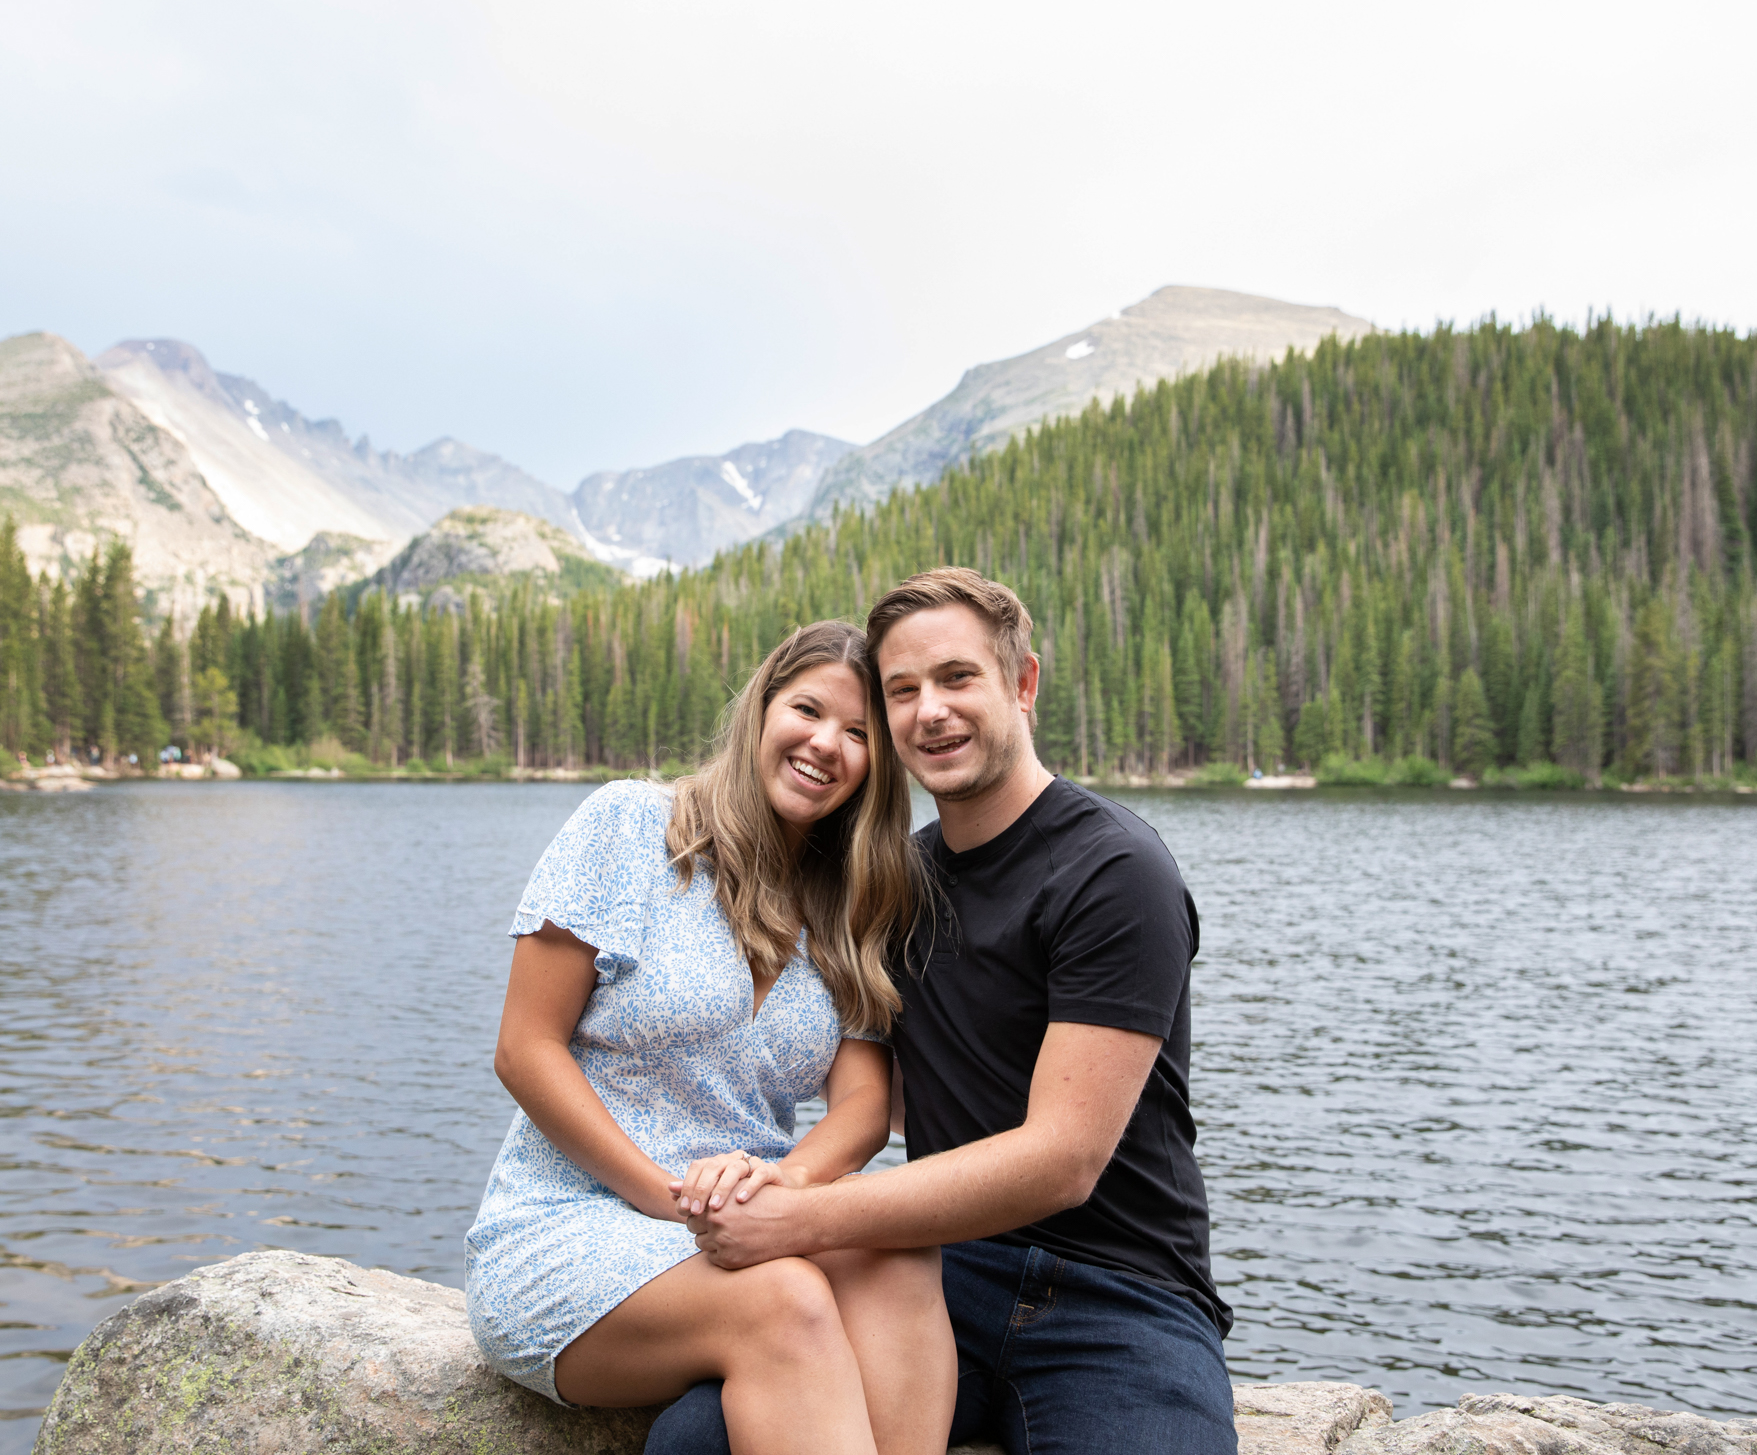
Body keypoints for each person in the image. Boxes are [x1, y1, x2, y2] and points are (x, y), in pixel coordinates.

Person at [650, 569, 1234, 1455]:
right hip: (937, 1269)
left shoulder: (1115, 872)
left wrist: (805, 1216)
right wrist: (761, 1174)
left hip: (1121, 1296)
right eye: (902, 691)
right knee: (695, 1441)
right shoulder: (895, 882)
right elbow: (871, 1099)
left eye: (958, 678)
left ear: (1023, 684)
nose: (930, 711)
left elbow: (1062, 1159)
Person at [463, 619, 956, 1455]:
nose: (826, 743)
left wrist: (786, 1183)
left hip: (743, 1224)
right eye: (807, 709)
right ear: (762, 708)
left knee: (897, 1256)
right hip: (569, 1222)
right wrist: (669, 1196)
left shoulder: (853, 902)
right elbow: (525, 1048)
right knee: (786, 1298)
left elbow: (866, 1104)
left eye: (860, 733)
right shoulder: (628, 826)